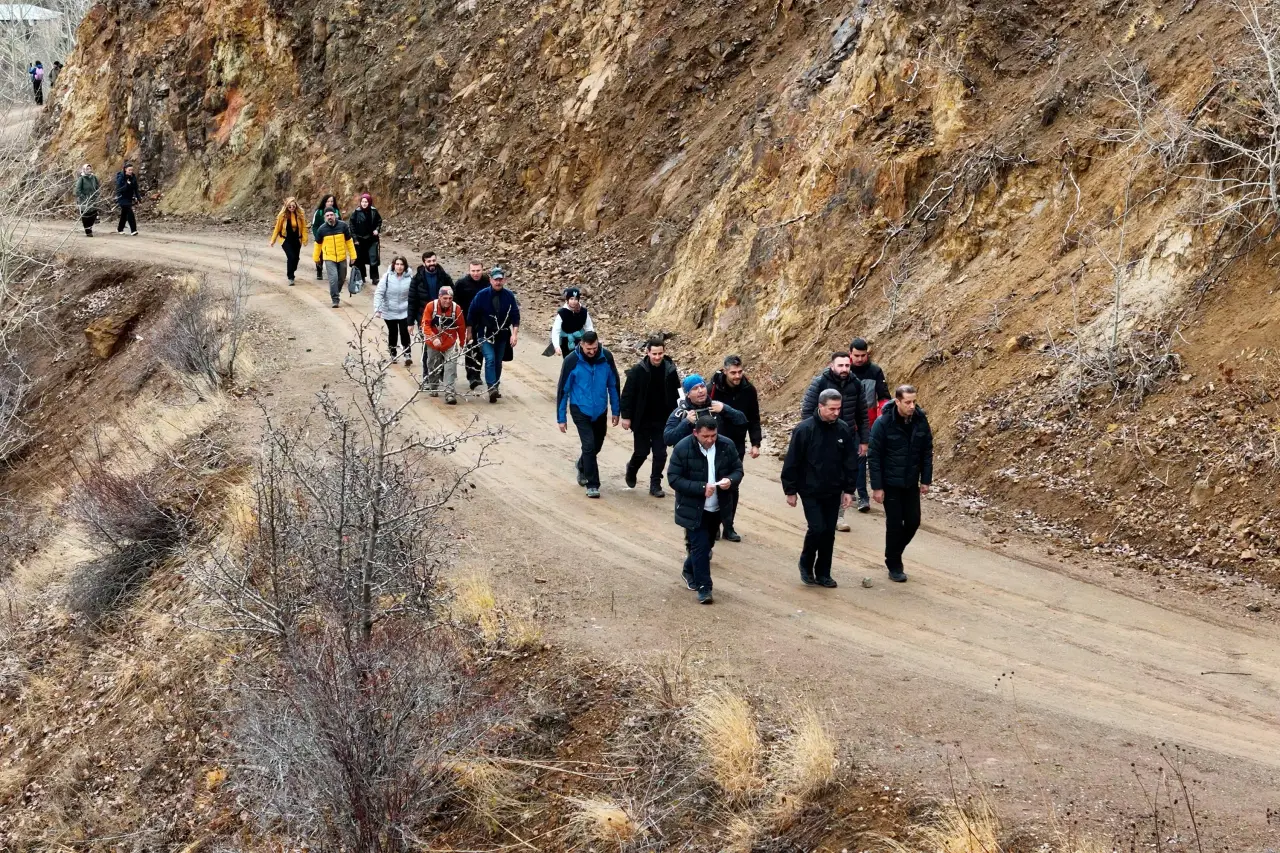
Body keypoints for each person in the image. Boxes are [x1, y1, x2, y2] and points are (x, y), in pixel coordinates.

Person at [781, 389, 859, 588]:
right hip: (810, 490)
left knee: (828, 534)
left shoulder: (843, 429)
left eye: (838, 409)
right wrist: (790, 490)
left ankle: (824, 572)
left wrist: (849, 490)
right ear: (820, 406)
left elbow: (850, 462)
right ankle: (806, 564)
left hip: (833, 490)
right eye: (832, 409)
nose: (836, 413)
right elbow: (792, 462)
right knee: (817, 528)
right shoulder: (804, 430)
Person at [667, 417, 742, 605]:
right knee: (700, 548)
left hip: (718, 507)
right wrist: (700, 488)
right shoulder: (683, 448)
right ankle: (704, 588)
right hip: (693, 508)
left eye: (713, 435)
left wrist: (730, 481)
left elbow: (738, 470)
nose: (709, 440)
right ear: (695, 433)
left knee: (707, 544)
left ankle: (687, 569)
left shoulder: (726, 445)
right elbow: (674, 478)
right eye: (705, 436)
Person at [868, 385, 934, 583]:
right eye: (907, 402)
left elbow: (926, 452)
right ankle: (895, 564)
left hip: (911, 481)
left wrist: (926, 480)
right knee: (895, 524)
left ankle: (893, 553)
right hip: (890, 483)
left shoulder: (921, 421)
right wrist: (877, 487)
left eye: (914, 401)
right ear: (897, 401)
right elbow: (874, 456)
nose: (912, 406)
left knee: (913, 521)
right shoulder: (883, 423)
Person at [800, 352, 868, 532]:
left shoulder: (856, 384)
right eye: (841, 365)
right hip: (822, 437)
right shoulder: (820, 383)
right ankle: (818, 511)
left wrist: (864, 440)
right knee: (823, 475)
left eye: (847, 365)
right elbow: (807, 410)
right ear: (832, 366)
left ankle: (839, 517)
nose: (844, 369)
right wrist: (811, 435)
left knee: (844, 475)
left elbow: (862, 413)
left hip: (847, 436)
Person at [556, 331, 621, 499]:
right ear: (582, 345)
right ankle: (592, 484)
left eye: (594, 347)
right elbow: (563, 390)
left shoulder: (606, 357)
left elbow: (613, 385)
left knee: (597, 444)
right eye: (588, 348)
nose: (592, 351)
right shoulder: (571, 360)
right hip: (580, 409)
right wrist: (561, 418)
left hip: (600, 409)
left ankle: (582, 464)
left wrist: (616, 410)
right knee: (589, 445)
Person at [708, 355, 762, 542]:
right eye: (733, 373)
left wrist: (755, 443)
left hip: (736, 444)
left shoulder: (748, 390)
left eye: (740, 372)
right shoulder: (713, 389)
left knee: (732, 485)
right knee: (714, 484)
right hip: (713, 443)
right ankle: (713, 524)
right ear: (725, 371)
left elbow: (754, 418)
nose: (737, 376)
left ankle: (728, 527)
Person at [620, 336, 680, 498]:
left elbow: (677, 394)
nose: (657, 357)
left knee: (660, 453)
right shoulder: (637, 371)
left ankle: (655, 484)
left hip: (663, 419)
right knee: (642, 451)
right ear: (647, 352)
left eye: (660, 353)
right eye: (654, 354)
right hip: (642, 419)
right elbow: (627, 395)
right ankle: (632, 469)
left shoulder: (670, 370)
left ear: (664, 352)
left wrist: (679, 412)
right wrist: (626, 416)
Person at [849, 337, 892, 513]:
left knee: (861, 458)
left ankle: (863, 498)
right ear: (850, 354)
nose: (860, 359)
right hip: (846, 421)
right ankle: (848, 489)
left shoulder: (875, 371)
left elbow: (884, 397)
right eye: (856, 355)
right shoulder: (844, 370)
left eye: (863, 355)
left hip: (869, 423)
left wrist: (883, 417)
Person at [466, 266, 520, 403]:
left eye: (500, 280)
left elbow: (515, 316)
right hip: (485, 333)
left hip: (502, 334)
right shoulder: (481, 295)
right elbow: (471, 313)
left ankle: (496, 385)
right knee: (490, 358)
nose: (498, 282)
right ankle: (491, 388)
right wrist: (469, 332)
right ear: (490, 280)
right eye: (495, 280)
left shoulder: (509, 296)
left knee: (497, 361)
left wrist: (514, 334)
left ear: (504, 280)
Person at [664, 374, 747, 448]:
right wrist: (686, 422)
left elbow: (742, 421)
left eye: (702, 386)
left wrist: (725, 409)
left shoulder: (717, 406)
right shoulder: (681, 412)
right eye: (695, 388)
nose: (700, 391)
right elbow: (668, 439)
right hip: (690, 459)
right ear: (688, 394)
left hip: (717, 456)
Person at [422, 285, 466, 404]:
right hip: (433, 343)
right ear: (439, 297)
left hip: (450, 342)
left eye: (450, 298)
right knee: (432, 364)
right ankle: (433, 386)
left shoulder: (456, 309)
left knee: (450, 367)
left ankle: (449, 393)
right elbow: (425, 325)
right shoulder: (431, 306)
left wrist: (462, 343)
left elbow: (461, 327)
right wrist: (433, 337)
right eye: (445, 298)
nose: (447, 301)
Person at [452, 261, 490, 391]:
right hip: (466, 321)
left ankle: (477, 374)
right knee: (469, 347)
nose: (476, 273)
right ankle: (471, 376)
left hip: (483, 321)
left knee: (481, 348)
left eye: (478, 270)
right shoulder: (461, 284)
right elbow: (455, 303)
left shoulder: (487, 282)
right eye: (473, 271)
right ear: (469, 271)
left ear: (482, 270)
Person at [312, 208, 356, 308]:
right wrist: (316, 257)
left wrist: (353, 255)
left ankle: (336, 290)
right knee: (333, 278)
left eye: (331, 215)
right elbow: (317, 245)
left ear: (335, 215)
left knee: (342, 277)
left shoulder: (343, 226)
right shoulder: (322, 229)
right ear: (324, 217)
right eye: (327, 216)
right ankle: (335, 299)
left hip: (342, 257)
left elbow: (349, 241)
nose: (330, 217)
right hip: (329, 257)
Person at [374, 256, 414, 365]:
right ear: (393, 265)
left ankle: (407, 354)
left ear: (405, 266)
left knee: (404, 332)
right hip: (389, 310)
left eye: (401, 264)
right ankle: (393, 354)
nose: (399, 267)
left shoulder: (410, 278)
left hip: (404, 311)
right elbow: (379, 293)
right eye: (397, 264)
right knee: (393, 333)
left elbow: (414, 294)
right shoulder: (387, 277)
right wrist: (377, 309)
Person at [408, 252, 454, 334]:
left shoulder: (444, 277)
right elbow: (412, 301)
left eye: (434, 260)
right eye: (429, 261)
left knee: (443, 343)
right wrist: (410, 322)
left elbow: (454, 296)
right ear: (424, 263)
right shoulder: (417, 279)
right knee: (427, 344)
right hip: (424, 317)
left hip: (443, 317)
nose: (432, 263)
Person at [269, 196, 309, 285]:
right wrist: (273, 240)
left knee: (296, 258)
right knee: (291, 257)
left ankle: (292, 269)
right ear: (286, 206)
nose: (291, 208)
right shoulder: (282, 216)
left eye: (293, 206)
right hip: (286, 240)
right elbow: (277, 228)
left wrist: (305, 239)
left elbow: (303, 228)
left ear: (296, 206)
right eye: (289, 206)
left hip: (297, 240)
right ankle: (291, 277)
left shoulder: (300, 214)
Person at [349, 193, 382, 287]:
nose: (364, 203)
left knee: (373, 259)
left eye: (366, 202)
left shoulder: (374, 211)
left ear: (369, 202)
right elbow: (352, 226)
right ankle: (361, 277)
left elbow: (379, 222)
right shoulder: (356, 212)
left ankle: (375, 278)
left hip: (372, 239)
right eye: (363, 201)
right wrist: (355, 238)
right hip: (360, 239)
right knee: (360, 259)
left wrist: (377, 230)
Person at [551, 287, 595, 357]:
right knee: (569, 361)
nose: (573, 301)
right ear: (567, 300)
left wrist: (591, 341)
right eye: (571, 299)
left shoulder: (583, 312)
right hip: (566, 341)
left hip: (580, 339)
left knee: (582, 360)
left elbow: (589, 328)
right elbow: (556, 330)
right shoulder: (562, 313)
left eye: (576, 299)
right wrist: (556, 346)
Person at [311, 194, 341, 280]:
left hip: (334, 238)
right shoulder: (319, 212)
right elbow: (314, 226)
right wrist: (318, 236)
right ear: (324, 202)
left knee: (335, 254)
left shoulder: (336, 212)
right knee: (320, 255)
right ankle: (319, 271)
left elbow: (340, 223)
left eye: (332, 201)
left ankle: (336, 272)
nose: (330, 203)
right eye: (328, 201)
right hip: (322, 237)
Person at [114, 163, 140, 236]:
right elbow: (119, 189)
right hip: (121, 197)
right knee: (129, 212)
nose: (131, 171)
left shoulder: (133, 177)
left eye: (132, 170)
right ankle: (133, 230)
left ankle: (120, 229)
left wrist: (138, 198)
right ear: (125, 169)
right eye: (129, 170)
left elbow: (136, 188)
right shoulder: (120, 177)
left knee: (124, 214)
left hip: (129, 198)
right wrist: (127, 184)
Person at [74, 164, 100, 237]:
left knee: (93, 214)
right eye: (87, 169)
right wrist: (83, 197)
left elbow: (97, 187)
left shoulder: (94, 177)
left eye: (90, 169)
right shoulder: (82, 179)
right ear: (84, 170)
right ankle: (88, 231)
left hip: (93, 199)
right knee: (86, 216)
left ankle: (90, 228)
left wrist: (97, 194)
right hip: (84, 200)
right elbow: (77, 190)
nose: (89, 170)